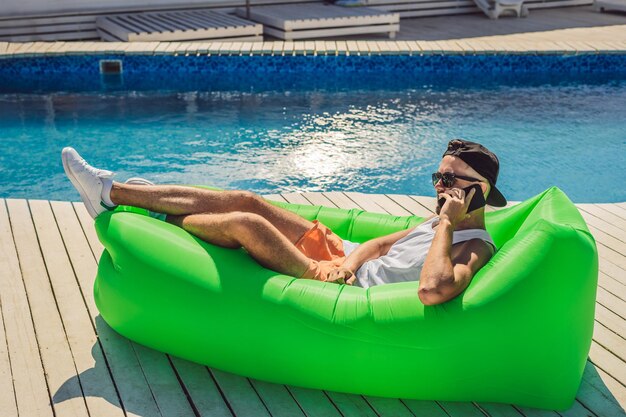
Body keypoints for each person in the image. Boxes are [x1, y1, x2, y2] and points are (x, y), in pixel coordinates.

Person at [62, 139, 506, 305]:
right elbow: (376, 247)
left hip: (338, 286)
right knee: (247, 200)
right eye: (438, 177)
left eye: (451, 180)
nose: (440, 187)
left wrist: (447, 224)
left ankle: (155, 211)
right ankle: (111, 191)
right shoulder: (432, 222)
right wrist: (347, 261)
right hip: (340, 261)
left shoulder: (474, 245)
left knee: (245, 224)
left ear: (480, 189)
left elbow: (433, 290)